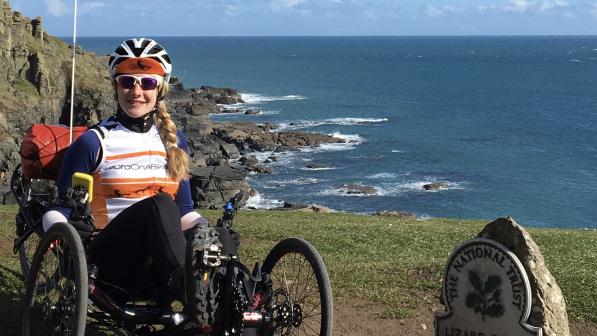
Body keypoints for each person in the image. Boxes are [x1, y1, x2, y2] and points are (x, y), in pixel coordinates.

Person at [42, 38, 232, 330]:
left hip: (157, 266)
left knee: (217, 238)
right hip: (109, 265)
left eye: (147, 83)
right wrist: (66, 230)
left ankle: (233, 304)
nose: (136, 91)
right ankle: (191, 289)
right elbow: (56, 209)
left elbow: (184, 211)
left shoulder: (175, 142)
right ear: (116, 86)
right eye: (128, 81)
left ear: (160, 89)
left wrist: (207, 232)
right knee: (156, 205)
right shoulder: (94, 143)